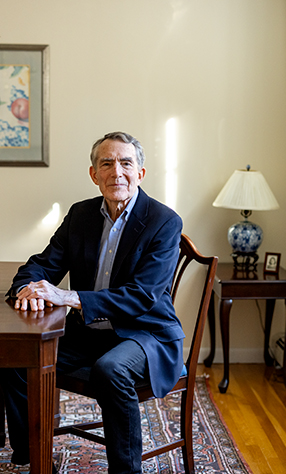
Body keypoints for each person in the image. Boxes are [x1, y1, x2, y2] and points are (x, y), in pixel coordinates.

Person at [1, 131, 185, 474]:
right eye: (107, 163)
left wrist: (66, 296)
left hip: (145, 334)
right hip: (90, 331)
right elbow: (44, 263)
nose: (117, 171)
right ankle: (34, 457)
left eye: (126, 163)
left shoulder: (164, 222)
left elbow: (142, 296)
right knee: (16, 356)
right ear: (94, 174)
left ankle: (125, 470)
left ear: (140, 173)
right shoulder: (81, 215)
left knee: (111, 369)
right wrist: (27, 287)